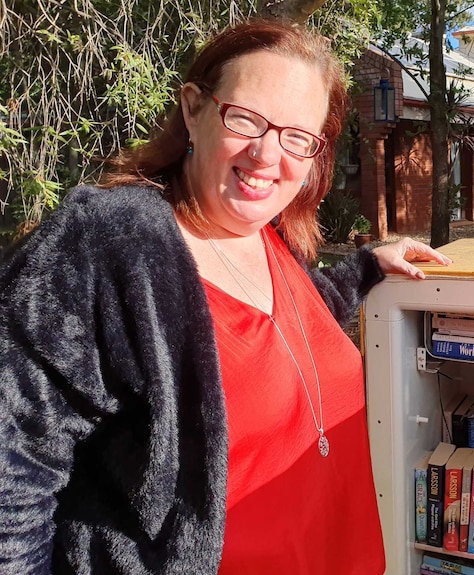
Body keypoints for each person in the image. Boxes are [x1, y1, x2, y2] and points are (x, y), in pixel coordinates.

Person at [0, 19, 451, 574]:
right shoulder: (109, 242)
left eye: (296, 137)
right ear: (194, 109)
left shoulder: (270, 232)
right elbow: (13, 466)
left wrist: (364, 268)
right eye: (245, 118)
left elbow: (277, 336)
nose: (267, 154)